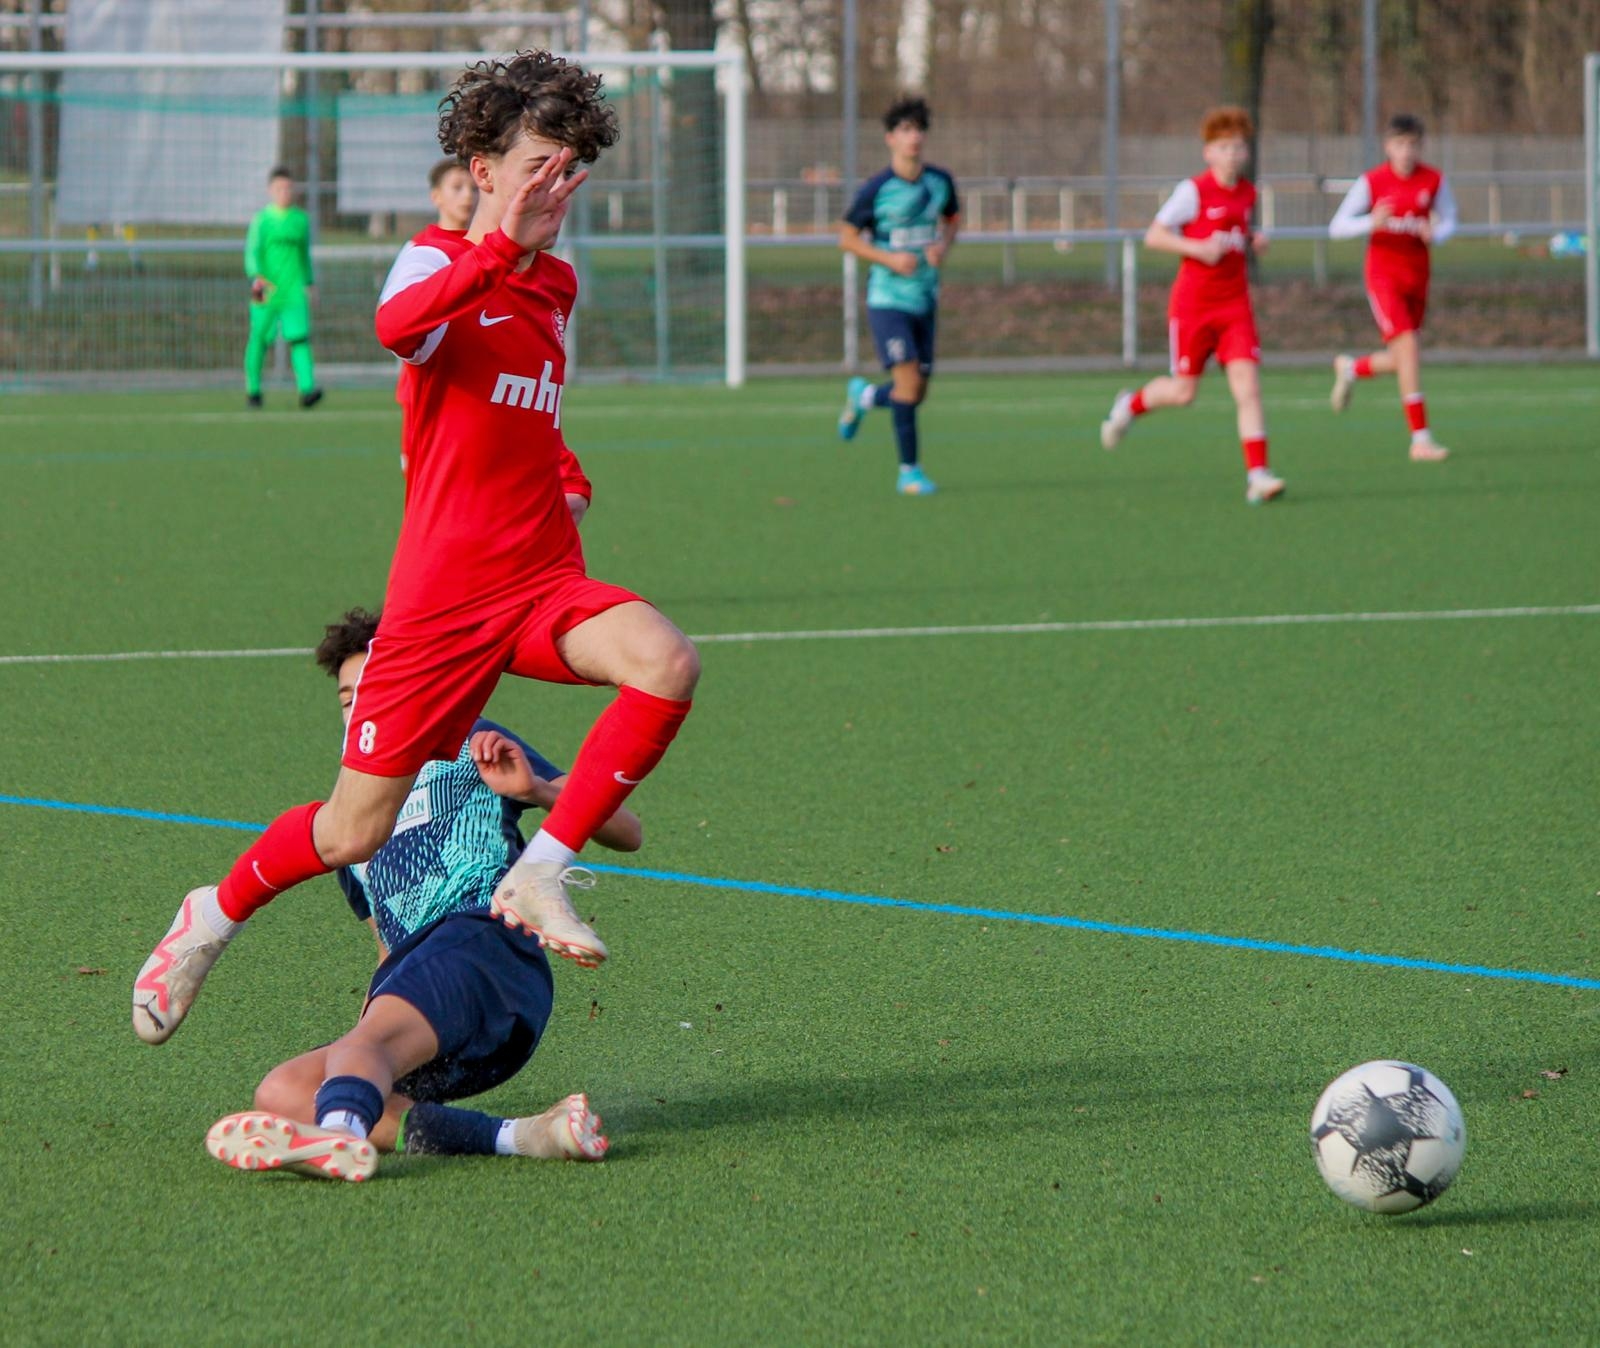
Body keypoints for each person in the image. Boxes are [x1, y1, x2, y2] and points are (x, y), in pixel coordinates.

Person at [134, 50, 700, 1048]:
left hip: (540, 581)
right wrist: (497, 246)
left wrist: (562, 472)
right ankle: (211, 914)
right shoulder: (435, 260)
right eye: (536, 166)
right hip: (442, 602)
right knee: (352, 830)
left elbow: (522, 414)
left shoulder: (558, 286)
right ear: (482, 171)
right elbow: (398, 327)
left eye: (569, 170)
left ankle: (539, 873)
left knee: (666, 662)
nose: (555, 188)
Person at [203, 608, 636, 1182]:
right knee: (285, 1091)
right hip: (465, 1027)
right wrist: (367, 1033)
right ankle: (523, 1135)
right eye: (348, 701)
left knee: (360, 1055)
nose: (360, 711)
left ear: (412, 687)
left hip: (486, 949)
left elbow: (626, 829)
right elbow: (387, 950)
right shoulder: (347, 826)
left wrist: (535, 787)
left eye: (373, 692)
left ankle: (341, 1136)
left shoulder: (467, 742)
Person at [1099, 107, 1286, 506]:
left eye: (1238, 147)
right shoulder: (1193, 191)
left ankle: (1258, 475)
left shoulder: (1248, 193)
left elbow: (1235, 230)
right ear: (1208, 152)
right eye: (1224, 147)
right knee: (1184, 393)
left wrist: (1254, 240)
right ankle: (1129, 405)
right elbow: (1155, 235)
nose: (1232, 154)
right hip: (1194, 307)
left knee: (1248, 388)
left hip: (1235, 306)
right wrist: (1197, 248)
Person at [835, 96, 960, 497]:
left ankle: (864, 396)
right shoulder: (877, 189)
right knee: (906, 385)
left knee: (916, 392)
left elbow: (953, 218)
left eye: (919, 129)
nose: (914, 137)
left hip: (925, 298)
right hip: (888, 300)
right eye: (905, 129)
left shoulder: (939, 182)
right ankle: (909, 472)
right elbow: (847, 238)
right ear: (890, 138)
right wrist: (888, 258)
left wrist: (942, 246)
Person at [1328, 114, 1458, 461]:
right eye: (1400, 144)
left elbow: (1450, 220)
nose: (1406, 151)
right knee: (1409, 347)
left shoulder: (1433, 180)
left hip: (1418, 276)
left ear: (1421, 146)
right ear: (1388, 147)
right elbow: (1337, 227)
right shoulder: (1372, 182)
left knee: (1405, 358)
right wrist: (1371, 221)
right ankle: (1420, 440)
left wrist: (1437, 233)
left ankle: (1351, 369)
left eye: (1413, 144)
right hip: (1383, 277)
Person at [244, 167, 322, 409]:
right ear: (270, 190)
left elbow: (304, 256)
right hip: (263, 288)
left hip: (294, 289)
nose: (284, 192)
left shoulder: (301, 220)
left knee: (300, 339)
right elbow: (252, 252)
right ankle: (253, 390)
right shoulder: (261, 220)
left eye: (288, 188)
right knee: (258, 338)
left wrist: (309, 283)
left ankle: (307, 390)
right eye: (279, 188)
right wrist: (256, 277)